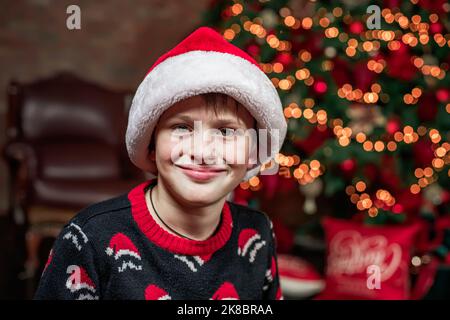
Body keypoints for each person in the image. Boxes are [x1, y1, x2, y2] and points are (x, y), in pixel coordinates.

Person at [34, 26, 287, 300]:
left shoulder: (257, 234)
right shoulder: (90, 238)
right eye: (181, 128)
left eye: (226, 132)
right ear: (152, 145)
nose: (203, 152)